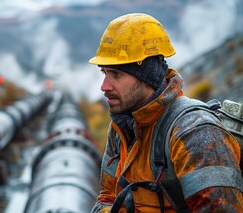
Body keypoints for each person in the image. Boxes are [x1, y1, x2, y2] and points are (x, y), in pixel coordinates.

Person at [88, 13, 243, 212]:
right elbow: (108, 196)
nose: (104, 86)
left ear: (146, 76)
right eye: (104, 73)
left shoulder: (194, 133)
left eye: (116, 74)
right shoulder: (122, 127)